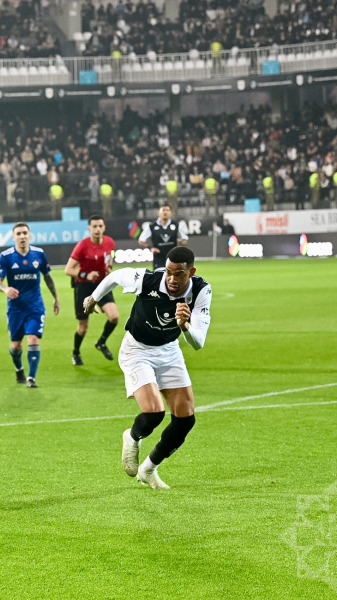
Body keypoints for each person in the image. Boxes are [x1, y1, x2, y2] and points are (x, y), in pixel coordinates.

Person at [83, 247, 212, 490]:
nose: (172, 279)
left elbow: (198, 343)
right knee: (154, 413)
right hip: (137, 350)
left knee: (185, 420)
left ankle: (148, 469)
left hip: (169, 351)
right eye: (169, 272)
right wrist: (93, 298)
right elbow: (115, 276)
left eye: (179, 274)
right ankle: (132, 437)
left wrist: (184, 326)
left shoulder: (201, 290)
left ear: (191, 272)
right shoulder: (147, 280)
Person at [0, 222, 60, 388]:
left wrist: (56, 297)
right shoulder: (6, 256)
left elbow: (47, 276)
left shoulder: (39, 254)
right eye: (19, 234)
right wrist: (5, 289)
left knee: (33, 338)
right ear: (13, 237)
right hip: (15, 308)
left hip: (35, 306)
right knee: (16, 346)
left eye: (25, 233)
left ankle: (31, 377)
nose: (22, 236)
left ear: (30, 235)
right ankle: (19, 369)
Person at [65, 216, 117, 366]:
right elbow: (68, 269)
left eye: (100, 226)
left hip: (102, 285)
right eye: (94, 226)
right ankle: (76, 352)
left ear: (104, 227)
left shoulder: (110, 242)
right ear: (89, 228)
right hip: (84, 287)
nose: (97, 229)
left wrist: (109, 267)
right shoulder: (82, 245)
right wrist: (85, 275)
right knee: (83, 328)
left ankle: (101, 342)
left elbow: (111, 255)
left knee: (114, 317)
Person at [138, 205, 187, 270]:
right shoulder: (152, 226)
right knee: (160, 275)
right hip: (159, 259)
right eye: (163, 210)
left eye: (167, 210)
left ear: (171, 213)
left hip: (173, 259)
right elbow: (141, 240)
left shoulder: (176, 225)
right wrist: (150, 248)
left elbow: (185, 239)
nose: (165, 212)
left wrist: (181, 242)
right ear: (158, 213)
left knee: (174, 276)